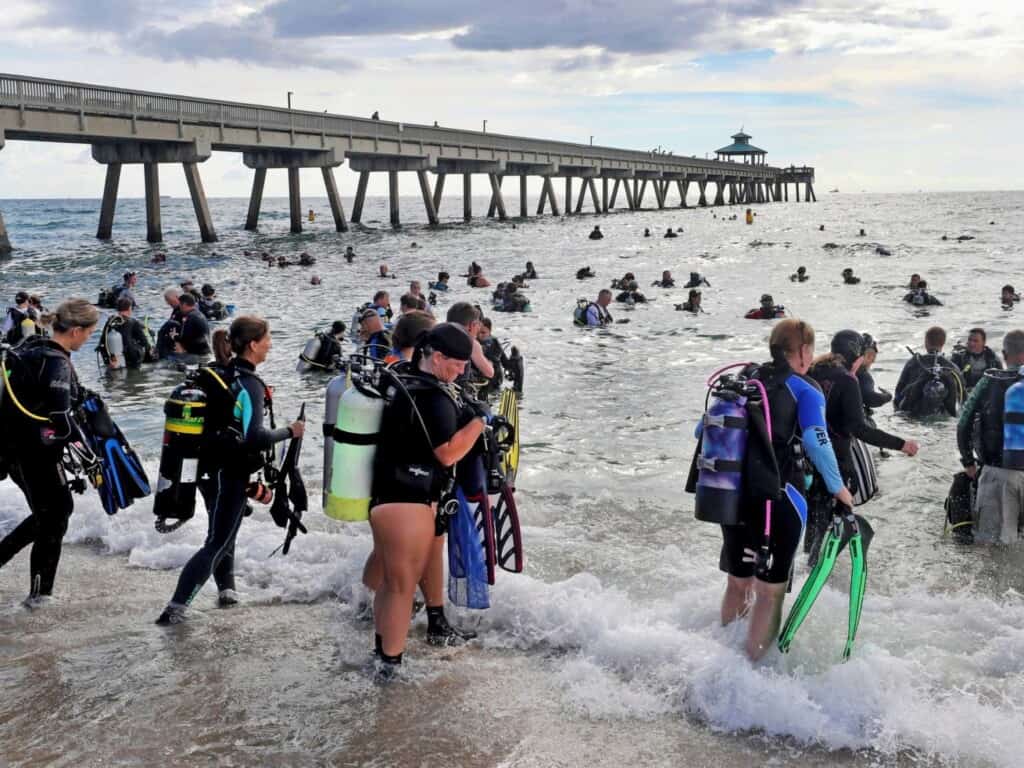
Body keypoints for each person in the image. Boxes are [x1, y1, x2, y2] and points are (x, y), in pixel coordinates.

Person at [711, 319, 854, 660]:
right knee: (769, 592)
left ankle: (724, 659)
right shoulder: (805, 388)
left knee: (738, 581)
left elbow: (703, 433)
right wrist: (839, 490)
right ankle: (753, 671)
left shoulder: (744, 380)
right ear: (804, 351)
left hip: (731, 494)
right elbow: (818, 442)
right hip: (778, 499)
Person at [156, 316, 304, 624]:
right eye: (267, 339)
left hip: (208, 469)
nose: (271, 344)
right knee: (218, 541)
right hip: (229, 473)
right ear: (253, 345)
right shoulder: (248, 384)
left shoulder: (221, 372)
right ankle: (175, 611)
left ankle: (228, 593)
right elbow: (254, 438)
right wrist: (291, 431)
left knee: (223, 533)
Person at [369, 323, 487, 679]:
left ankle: (382, 655)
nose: (463, 370)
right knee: (401, 588)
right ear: (436, 357)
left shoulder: (402, 377)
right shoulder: (433, 398)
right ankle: (389, 669)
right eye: (458, 363)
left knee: (392, 584)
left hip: (388, 495)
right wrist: (479, 422)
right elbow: (448, 454)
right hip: (406, 500)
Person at [0, 298, 99, 605]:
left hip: (11, 451)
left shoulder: (29, 349)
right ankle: (39, 595)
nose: (88, 338)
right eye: (89, 333)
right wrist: (90, 457)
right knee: (55, 516)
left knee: (49, 513)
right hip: (36, 454)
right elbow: (62, 422)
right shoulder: (57, 362)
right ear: (76, 331)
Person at [805, 330, 919, 555]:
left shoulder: (812, 370)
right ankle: (818, 569)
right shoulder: (847, 380)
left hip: (807, 458)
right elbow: (859, 428)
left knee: (815, 518)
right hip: (835, 459)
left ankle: (806, 565)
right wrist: (901, 444)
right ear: (857, 357)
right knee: (836, 515)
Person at [957, 329, 1024, 544]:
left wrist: (968, 462)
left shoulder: (989, 381)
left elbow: (963, 423)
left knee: (992, 549)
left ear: (1004, 355)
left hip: (998, 473)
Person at [893, 326, 964, 416]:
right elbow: (962, 397)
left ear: (926, 342)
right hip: (944, 414)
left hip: (914, 413)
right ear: (943, 343)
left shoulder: (913, 362)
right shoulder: (952, 367)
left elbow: (899, 392)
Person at [446, 302, 495, 382]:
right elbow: (489, 372)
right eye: (478, 324)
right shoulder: (471, 343)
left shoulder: (439, 335)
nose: (479, 328)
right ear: (472, 325)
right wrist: (490, 363)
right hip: (457, 388)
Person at [104, 298, 154, 368]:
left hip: (113, 358)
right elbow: (144, 342)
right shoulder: (133, 322)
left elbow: (104, 341)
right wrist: (150, 351)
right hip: (131, 359)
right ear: (129, 308)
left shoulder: (111, 321)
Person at [857, 334, 891, 411]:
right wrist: (887, 396)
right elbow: (871, 399)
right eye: (873, 357)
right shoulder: (863, 376)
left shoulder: (834, 367)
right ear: (867, 355)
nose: (873, 361)